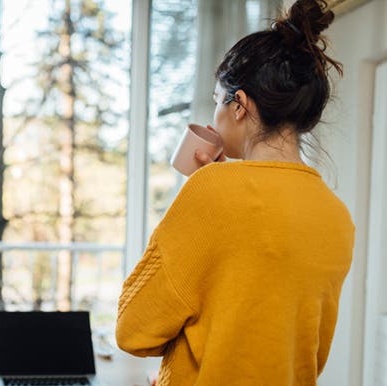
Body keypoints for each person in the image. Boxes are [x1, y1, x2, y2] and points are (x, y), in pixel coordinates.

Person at [115, 0, 354, 384]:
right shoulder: (336, 214)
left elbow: (134, 329)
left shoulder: (211, 190)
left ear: (238, 104)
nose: (215, 114)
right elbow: (305, 352)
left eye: (216, 101)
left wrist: (199, 197)